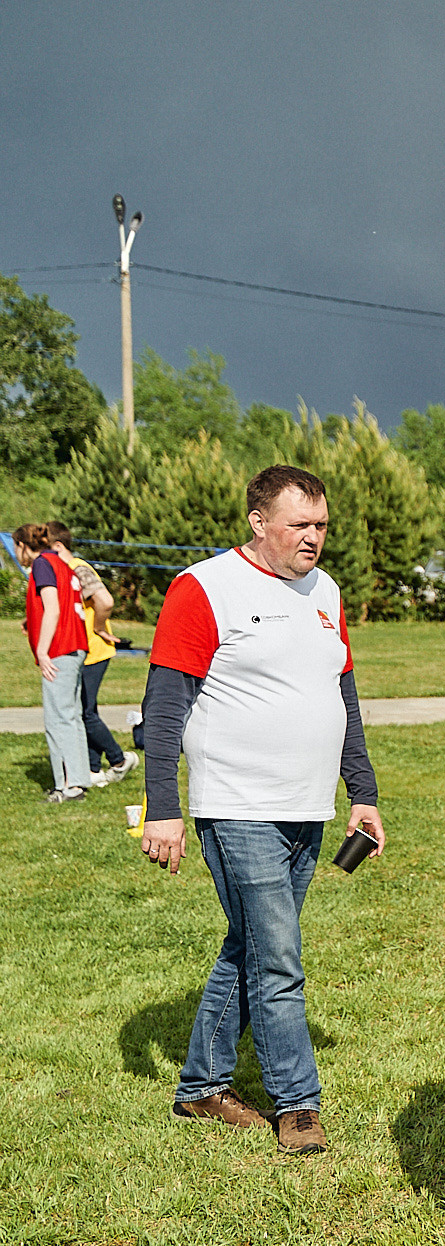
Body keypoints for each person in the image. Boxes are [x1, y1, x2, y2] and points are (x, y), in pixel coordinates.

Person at [141, 465, 385, 1156]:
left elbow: (344, 696)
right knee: (278, 956)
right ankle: (298, 1104)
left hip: (306, 806)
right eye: (299, 525)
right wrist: (163, 808)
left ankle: (201, 1085)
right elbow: (164, 707)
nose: (314, 539)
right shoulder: (204, 587)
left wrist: (360, 791)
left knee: (251, 946)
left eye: (321, 526)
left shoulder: (326, 590)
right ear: (257, 522)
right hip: (237, 804)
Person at [19, 522, 91, 801]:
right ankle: (79, 779)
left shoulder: (41, 564)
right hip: (76, 645)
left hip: (60, 648)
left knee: (58, 719)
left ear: (24, 545)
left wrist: (42, 650)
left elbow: (53, 608)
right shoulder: (62, 562)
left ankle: (68, 785)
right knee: (71, 717)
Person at [57, 532, 135, 786]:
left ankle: (119, 760)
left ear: (58, 546)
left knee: (84, 711)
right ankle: (92, 769)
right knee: (86, 709)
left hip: (94, 649)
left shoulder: (78, 568)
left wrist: (99, 628)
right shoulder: (67, 569)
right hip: (83, 650)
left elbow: (105, 601)